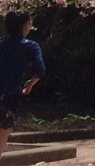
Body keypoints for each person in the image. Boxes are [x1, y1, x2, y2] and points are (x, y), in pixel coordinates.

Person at [0, 11, 45, 157]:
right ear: (26, 25)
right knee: (2, 133)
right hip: (10, 95)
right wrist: (30, 84)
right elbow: (40, 70)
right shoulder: (31, 46)